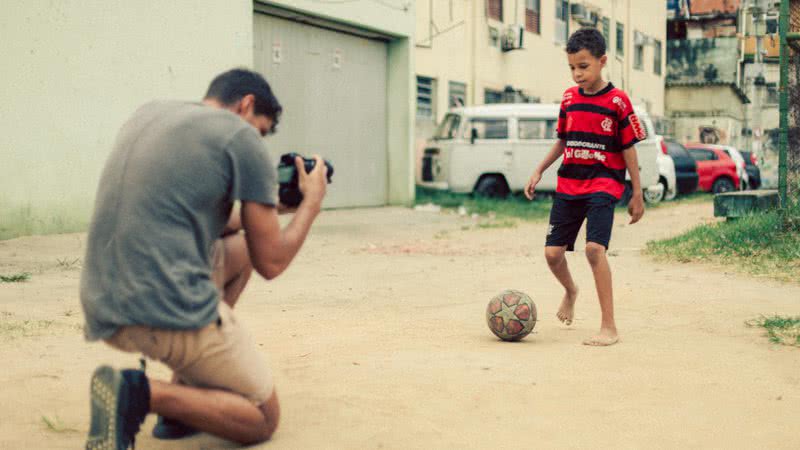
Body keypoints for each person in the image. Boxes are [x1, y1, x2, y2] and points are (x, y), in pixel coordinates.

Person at [80, 68, 328, 449]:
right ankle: (141, 394)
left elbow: (204, 218)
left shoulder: (151, 114)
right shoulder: (240, 137)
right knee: (262, 417)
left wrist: (273, 206)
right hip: (161, 309)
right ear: (246, 105)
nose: (257, 139)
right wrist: (310, 204)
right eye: (261, 130)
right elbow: (272, 263)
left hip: (103, 303)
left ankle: (183, 400)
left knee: (242, 248)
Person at [524, 28, 646, 347]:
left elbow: (630, 147)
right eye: (572, 68)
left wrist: (637, 191)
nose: (577, 74)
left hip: (604, 184)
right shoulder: (568, 99)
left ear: (602, 61)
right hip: (569, 185)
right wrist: (539, 169)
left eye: (584, 66)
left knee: (594, 250)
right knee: (552, 255)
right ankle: (571, 291)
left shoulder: (618, 101)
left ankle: (609, 327)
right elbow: (563, 141)